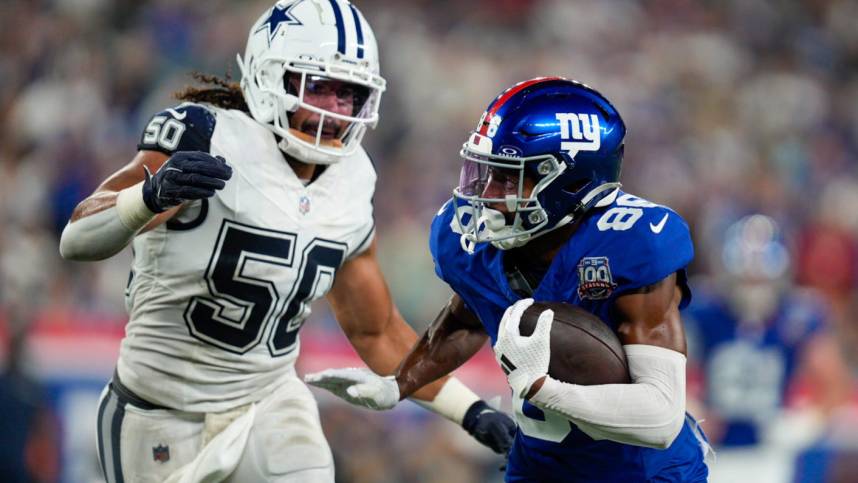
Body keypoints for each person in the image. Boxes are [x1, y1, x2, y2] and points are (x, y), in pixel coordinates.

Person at [59, 1, 513, 481]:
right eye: (318, 87)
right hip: (158, 410)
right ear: (268, 76)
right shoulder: (205, 134)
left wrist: (472, 410)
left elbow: (376, 331)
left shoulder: (353, 179)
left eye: (349, 94)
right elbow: (76, 238)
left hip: (267, 401)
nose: (335, 111)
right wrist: (147, 197)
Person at [306, 77, 713, 481]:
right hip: (540, 468)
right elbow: (467, 319)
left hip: (646, 474)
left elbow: (660, 418)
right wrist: (399, 384)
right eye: (485, 172)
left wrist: (542, 389)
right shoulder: (474, 242)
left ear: (569, 182)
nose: (487, 193)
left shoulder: (634, 242)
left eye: (509, 178)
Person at [683, 214, 850, 481]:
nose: (753, 287)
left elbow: (832, 380)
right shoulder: (704, 309)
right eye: (746, 278)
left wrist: (811, 422)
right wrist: (688, 407)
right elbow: (668, 370)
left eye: (760, 279)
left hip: (772, 451)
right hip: (714, 449)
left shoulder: (799, 314)